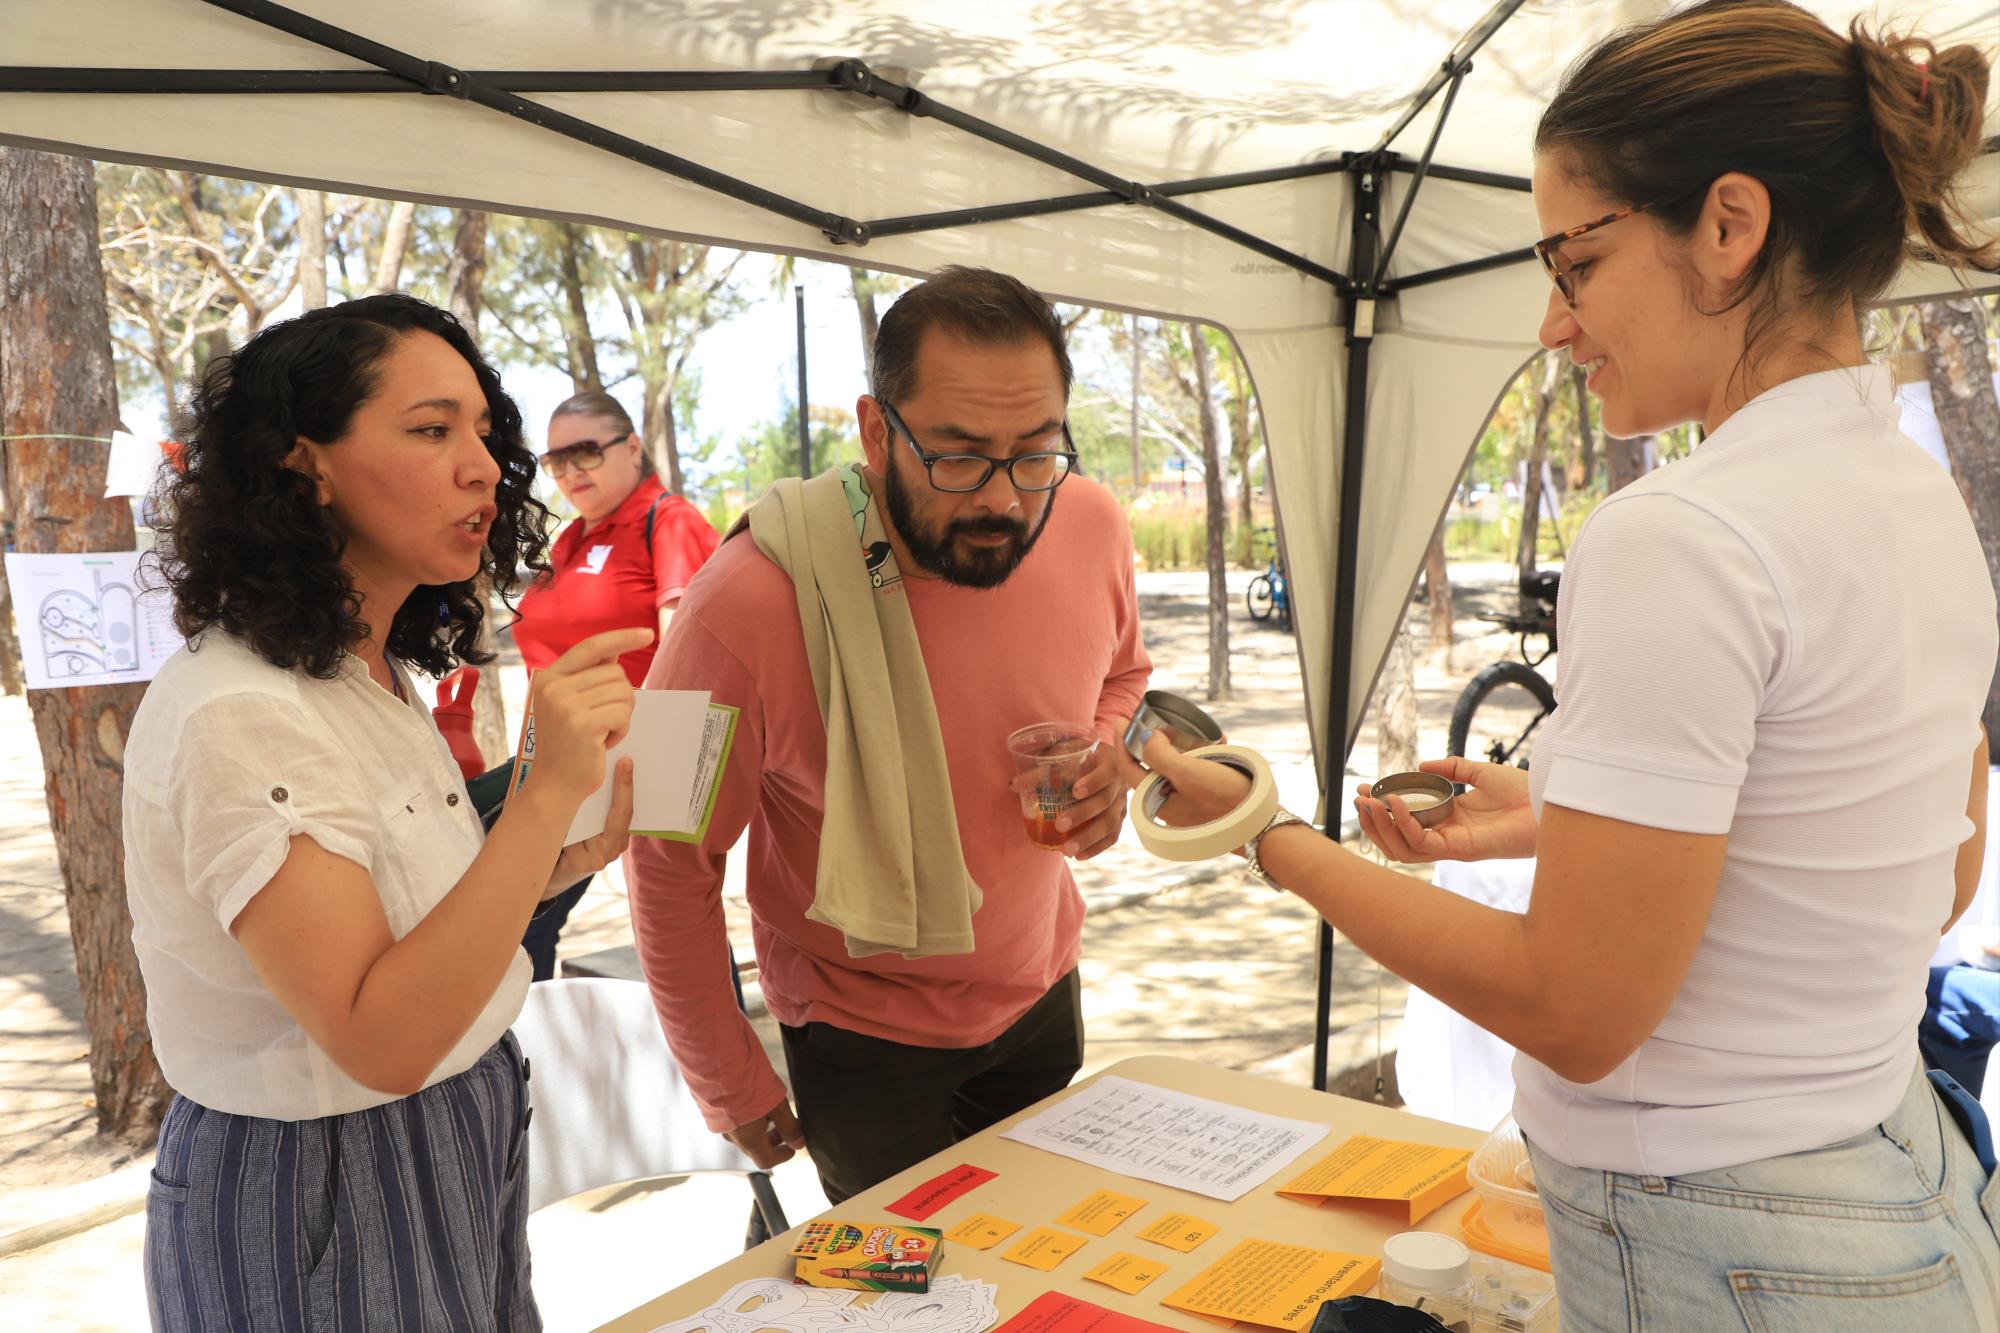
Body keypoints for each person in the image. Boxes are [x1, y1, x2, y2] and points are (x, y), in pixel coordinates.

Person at [1135, 3, 2000, 1327]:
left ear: (1728, 224)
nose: (1556, 321)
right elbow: (1917, 868)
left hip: (1729, 1238)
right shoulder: (1915, 501)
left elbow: (1577, 1008)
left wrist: (1267, 836)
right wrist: (1560, 818)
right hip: (1906, 1189)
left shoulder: (1685, 531)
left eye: (1576, 261)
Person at [127, 294, 647, 1331]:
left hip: (454, 1126)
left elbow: (410, 921)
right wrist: (540, 798)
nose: (480, 469)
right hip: (327, 1170)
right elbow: (380, 1034)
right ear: (304, 459)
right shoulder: (243, 709)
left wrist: (555, 848)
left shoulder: (362, 668)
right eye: (429, 429)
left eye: (483, 436)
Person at [626, 266, 1151, 1204]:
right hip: (857, 1041)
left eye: (1036, 452)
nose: (1003, 499)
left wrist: (1112, 751)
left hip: (1041, 994)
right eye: (957, 455)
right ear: (877, 432)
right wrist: (725, 1075)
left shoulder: (1093, 524)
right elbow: (662, 848)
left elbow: (1124, 675)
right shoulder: (731, 606)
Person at [510, 391, 720, 978]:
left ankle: (709, 1066)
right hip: (556, 766)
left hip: (634, 767)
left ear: (631, 446)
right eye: (556, 460)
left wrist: (655, 768)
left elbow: (688, 652)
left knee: (674, 920)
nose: (570, 471)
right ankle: (522, 1058)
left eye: (585, 453)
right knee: (522, 920)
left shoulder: (667, 520)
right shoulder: (572, 538)